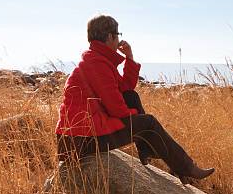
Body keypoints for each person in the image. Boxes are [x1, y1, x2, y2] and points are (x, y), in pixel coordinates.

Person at [55, 14, 214, 183]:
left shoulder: (96, 59)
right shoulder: (97, 64)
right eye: (118, 35)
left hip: (81, 136)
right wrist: (138, 120)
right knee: (148, 123)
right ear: (110, 36)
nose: (118, 40)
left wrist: (129, 58)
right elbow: (116, 109)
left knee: (132, 97)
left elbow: (126, 88)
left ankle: (150, 151)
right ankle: (187, 168)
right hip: (81, 142)